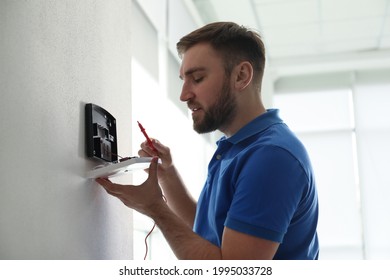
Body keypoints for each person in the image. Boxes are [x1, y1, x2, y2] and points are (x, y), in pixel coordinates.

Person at [96, 22, 319, 260]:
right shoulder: (234, 147)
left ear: (241, 76)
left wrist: (155, 208)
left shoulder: (271, 157)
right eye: (183, 80)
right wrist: (167, 175)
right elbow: (208, 233)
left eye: (198, 78)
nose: (183, 95)